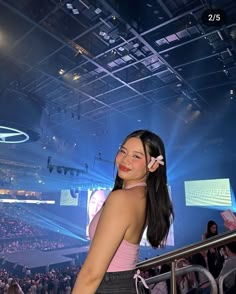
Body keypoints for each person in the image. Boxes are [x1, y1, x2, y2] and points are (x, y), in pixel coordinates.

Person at [72, 129, 174, 294]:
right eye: (123, 151)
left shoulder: (122, 199)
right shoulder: (143, 196)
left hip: (108, 286)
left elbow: (91, 274)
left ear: (153, 165)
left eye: (136, 156)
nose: (125, 159)